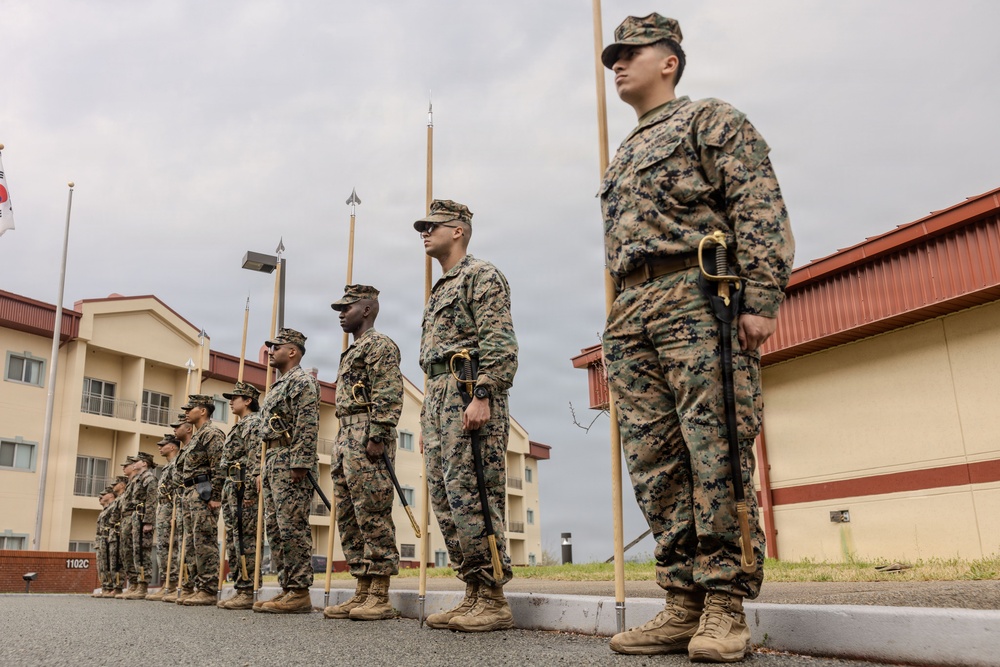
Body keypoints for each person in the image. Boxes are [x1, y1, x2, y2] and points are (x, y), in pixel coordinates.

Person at [598, 13, 795, 662]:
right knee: (656, 462)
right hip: (633, 309)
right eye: (612, 57)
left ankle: (725, 605)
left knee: (716, 452)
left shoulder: (709, 119)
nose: (617, 64)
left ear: (669, 62)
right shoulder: (622, 151)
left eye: (630, 53)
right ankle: (682, 600)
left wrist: (761, 295)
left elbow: (757, 201)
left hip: (698, 297)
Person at [415, 199, 519, 632]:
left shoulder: (480, 275)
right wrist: (426, 416)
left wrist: (483, 394)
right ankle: (473, 591)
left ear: (457, 230)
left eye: (432, 225)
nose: (425, 232)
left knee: (475, 492)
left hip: (467, 393)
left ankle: (493, 596)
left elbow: (500, 343)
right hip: (439, 399)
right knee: (446, 498)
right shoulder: (440, 286)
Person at [323, 285, 403, 621]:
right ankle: (362, 589)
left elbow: (388, 391)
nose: (341, 314)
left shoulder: (379, 345)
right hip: (346, 436)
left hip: (367, 433)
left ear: (367, 309)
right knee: (350, 516)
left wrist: (379, 434)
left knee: (372, 512)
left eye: (347, 308)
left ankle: (380, 594)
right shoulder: (352, 350)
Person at [255, 328, 320, 614]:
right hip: (273, 458)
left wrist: (301, 462)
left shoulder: (302, 381)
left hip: (290, 457)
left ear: (292, 351)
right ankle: (287, 587)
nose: (271, 351)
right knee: (276, 527)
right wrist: (262, 468)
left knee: (292, 525)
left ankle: (299, 590)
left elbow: (307, 423)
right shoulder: (278, 386)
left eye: (276, 347)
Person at [175, 394, 226, 606]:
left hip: (203, 492)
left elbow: (219, 466)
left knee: (204, 540)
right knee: (192, 542)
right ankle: (198, 586)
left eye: (191, 408)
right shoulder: (196, 437)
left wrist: (215, 496)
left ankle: (208, 588)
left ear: (203, 410)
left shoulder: (211, 434)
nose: (187, 412)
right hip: (190, 492)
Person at [217, 381, 263, 610]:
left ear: (248, 400)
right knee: (236, 538)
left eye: (235, 398)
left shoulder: (253, 423)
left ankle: (247, 588)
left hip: (242, 485)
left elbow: (256, 455)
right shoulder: (240, 424)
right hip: (232, 486)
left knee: (246, 538)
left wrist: (249, 490)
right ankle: (240, 586)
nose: (231, 402)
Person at [147, 435, 182, 601]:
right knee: (162, 547)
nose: (160, 448)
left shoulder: (177, 463)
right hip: (164, 508)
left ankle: (175, 583)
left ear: (173, 447)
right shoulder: (168, 466)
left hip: (171, 508)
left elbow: (177, 488)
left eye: (163, 445)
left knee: (172, 547)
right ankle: (167, 582)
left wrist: (175, 513)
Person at [122, 451, 158, 599]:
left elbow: (151, 500)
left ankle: (143, 586)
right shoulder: (138, 479)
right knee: (136, 551)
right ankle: (136, 583)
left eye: (137, 461)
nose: (134, 464)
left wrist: (148, 521)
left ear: (144, 463)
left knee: (143, 552)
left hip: (143, 517)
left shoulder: (149, 478)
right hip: (136, 517)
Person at [115, 456, 139, 599]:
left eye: (126, 465)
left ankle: (138, 584)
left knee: (135, 551)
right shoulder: (131, 483)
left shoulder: (139, 480)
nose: (124, 468)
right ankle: (133, 584)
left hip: (133, 518)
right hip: (126, 520)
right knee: (126, 553)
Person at [92, 486, 116, 598]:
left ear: (111, 495)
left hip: (109, 538)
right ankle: (105, 587)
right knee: (102, 565)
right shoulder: (105, 510)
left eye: (104, 495)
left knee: (110, 564)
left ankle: (112, 587)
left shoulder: (114, 507)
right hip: (102, 540)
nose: (100, 497)